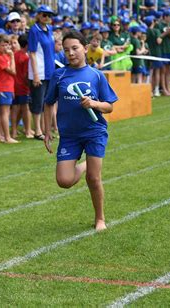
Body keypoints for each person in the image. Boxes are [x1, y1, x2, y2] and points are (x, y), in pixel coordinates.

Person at [43, 31, 118, 231]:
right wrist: (47, 130)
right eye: (66, 50)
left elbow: (109, 106)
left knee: (93, 178)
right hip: (69, 135)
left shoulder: (96, 75)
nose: (71, 53)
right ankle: (85, 164)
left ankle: (100, 218)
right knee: (64, 181)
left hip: (94, 131)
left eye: (75, 48)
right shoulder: (59, 75)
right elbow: (48, 103)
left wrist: (93, 103)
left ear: (85, 48)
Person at [28, 5, 56, 141]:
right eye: (44, 15)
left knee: (48, 101)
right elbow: (32, 53)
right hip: (39, 71)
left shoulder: (50, 29)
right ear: (38, 15)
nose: (47, 17)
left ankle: (47, 129)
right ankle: (38, 131)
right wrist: (36, 74)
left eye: (49, 15)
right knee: (38, 102)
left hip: (50, 71)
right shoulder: (34, 31)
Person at [0, 34, 18, 144]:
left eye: (7, 45)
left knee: (1, 113)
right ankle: (7, 137)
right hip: (3, 87)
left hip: (7, 86)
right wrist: (12, 57)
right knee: (5, 112)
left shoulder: (5, 56)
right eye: (3, 45)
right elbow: (13, 71)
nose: (6, 48)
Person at [13, 33, 34, 139]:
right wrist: (29, 85)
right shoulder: (26, 57)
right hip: (23, 86)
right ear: (27, 45)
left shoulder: (15, 54)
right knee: (26, 109)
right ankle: (27, 130)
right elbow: (26, 74)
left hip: (15, 85)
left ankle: (15, 129)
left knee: (19, 109)